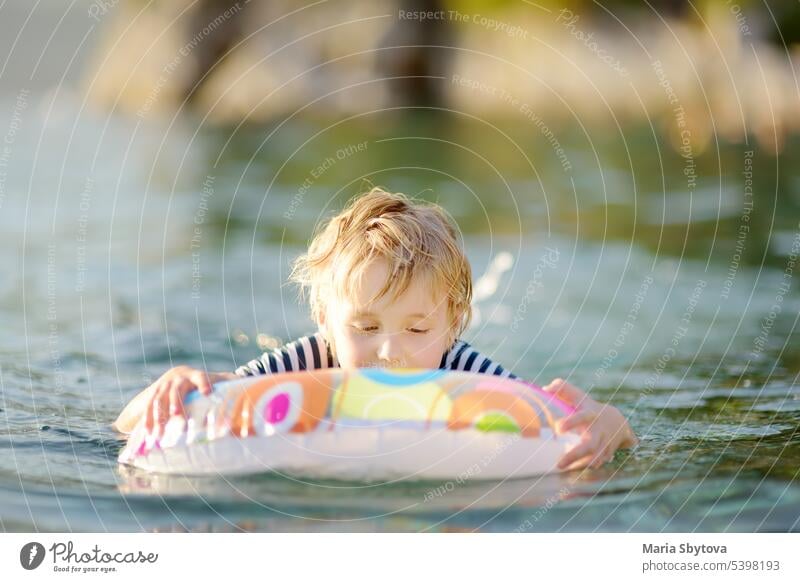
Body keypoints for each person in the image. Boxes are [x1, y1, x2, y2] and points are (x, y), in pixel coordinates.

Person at [113, 187, 637, 470]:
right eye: (364, 326)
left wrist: (609, 424)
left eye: (416, 330)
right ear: (324, 320)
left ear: (453, 325)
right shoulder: (305, 364)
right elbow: (130, 423)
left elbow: (566, 421)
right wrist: (168, 390)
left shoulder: (463, 371)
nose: (389, 351)